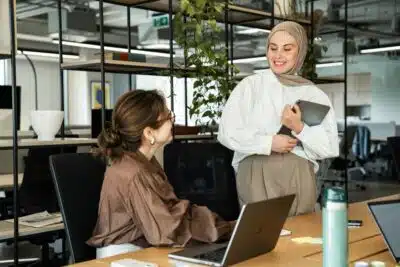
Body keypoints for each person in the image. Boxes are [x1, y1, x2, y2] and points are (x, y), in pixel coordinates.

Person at [87, 90, 234, 258]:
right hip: (123, 256)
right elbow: (167, 230)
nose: (172, 121)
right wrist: (225, 230)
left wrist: (223, 228)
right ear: (149, 133)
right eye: (168, 117)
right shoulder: (134, 172)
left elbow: (171, 214)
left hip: (143, 246)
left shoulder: (144, 161)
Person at [217, 21, 339, 216]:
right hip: (256, 173)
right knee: (259, 237)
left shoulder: (313, 94)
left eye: (287, 49)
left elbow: (329, 148)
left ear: (300, 52)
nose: (278, 55)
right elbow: (226, 133)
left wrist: (300, 128)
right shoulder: (250, 86)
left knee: (301, 239)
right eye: (273, 48)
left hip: (298, 175)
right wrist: (269, 142)